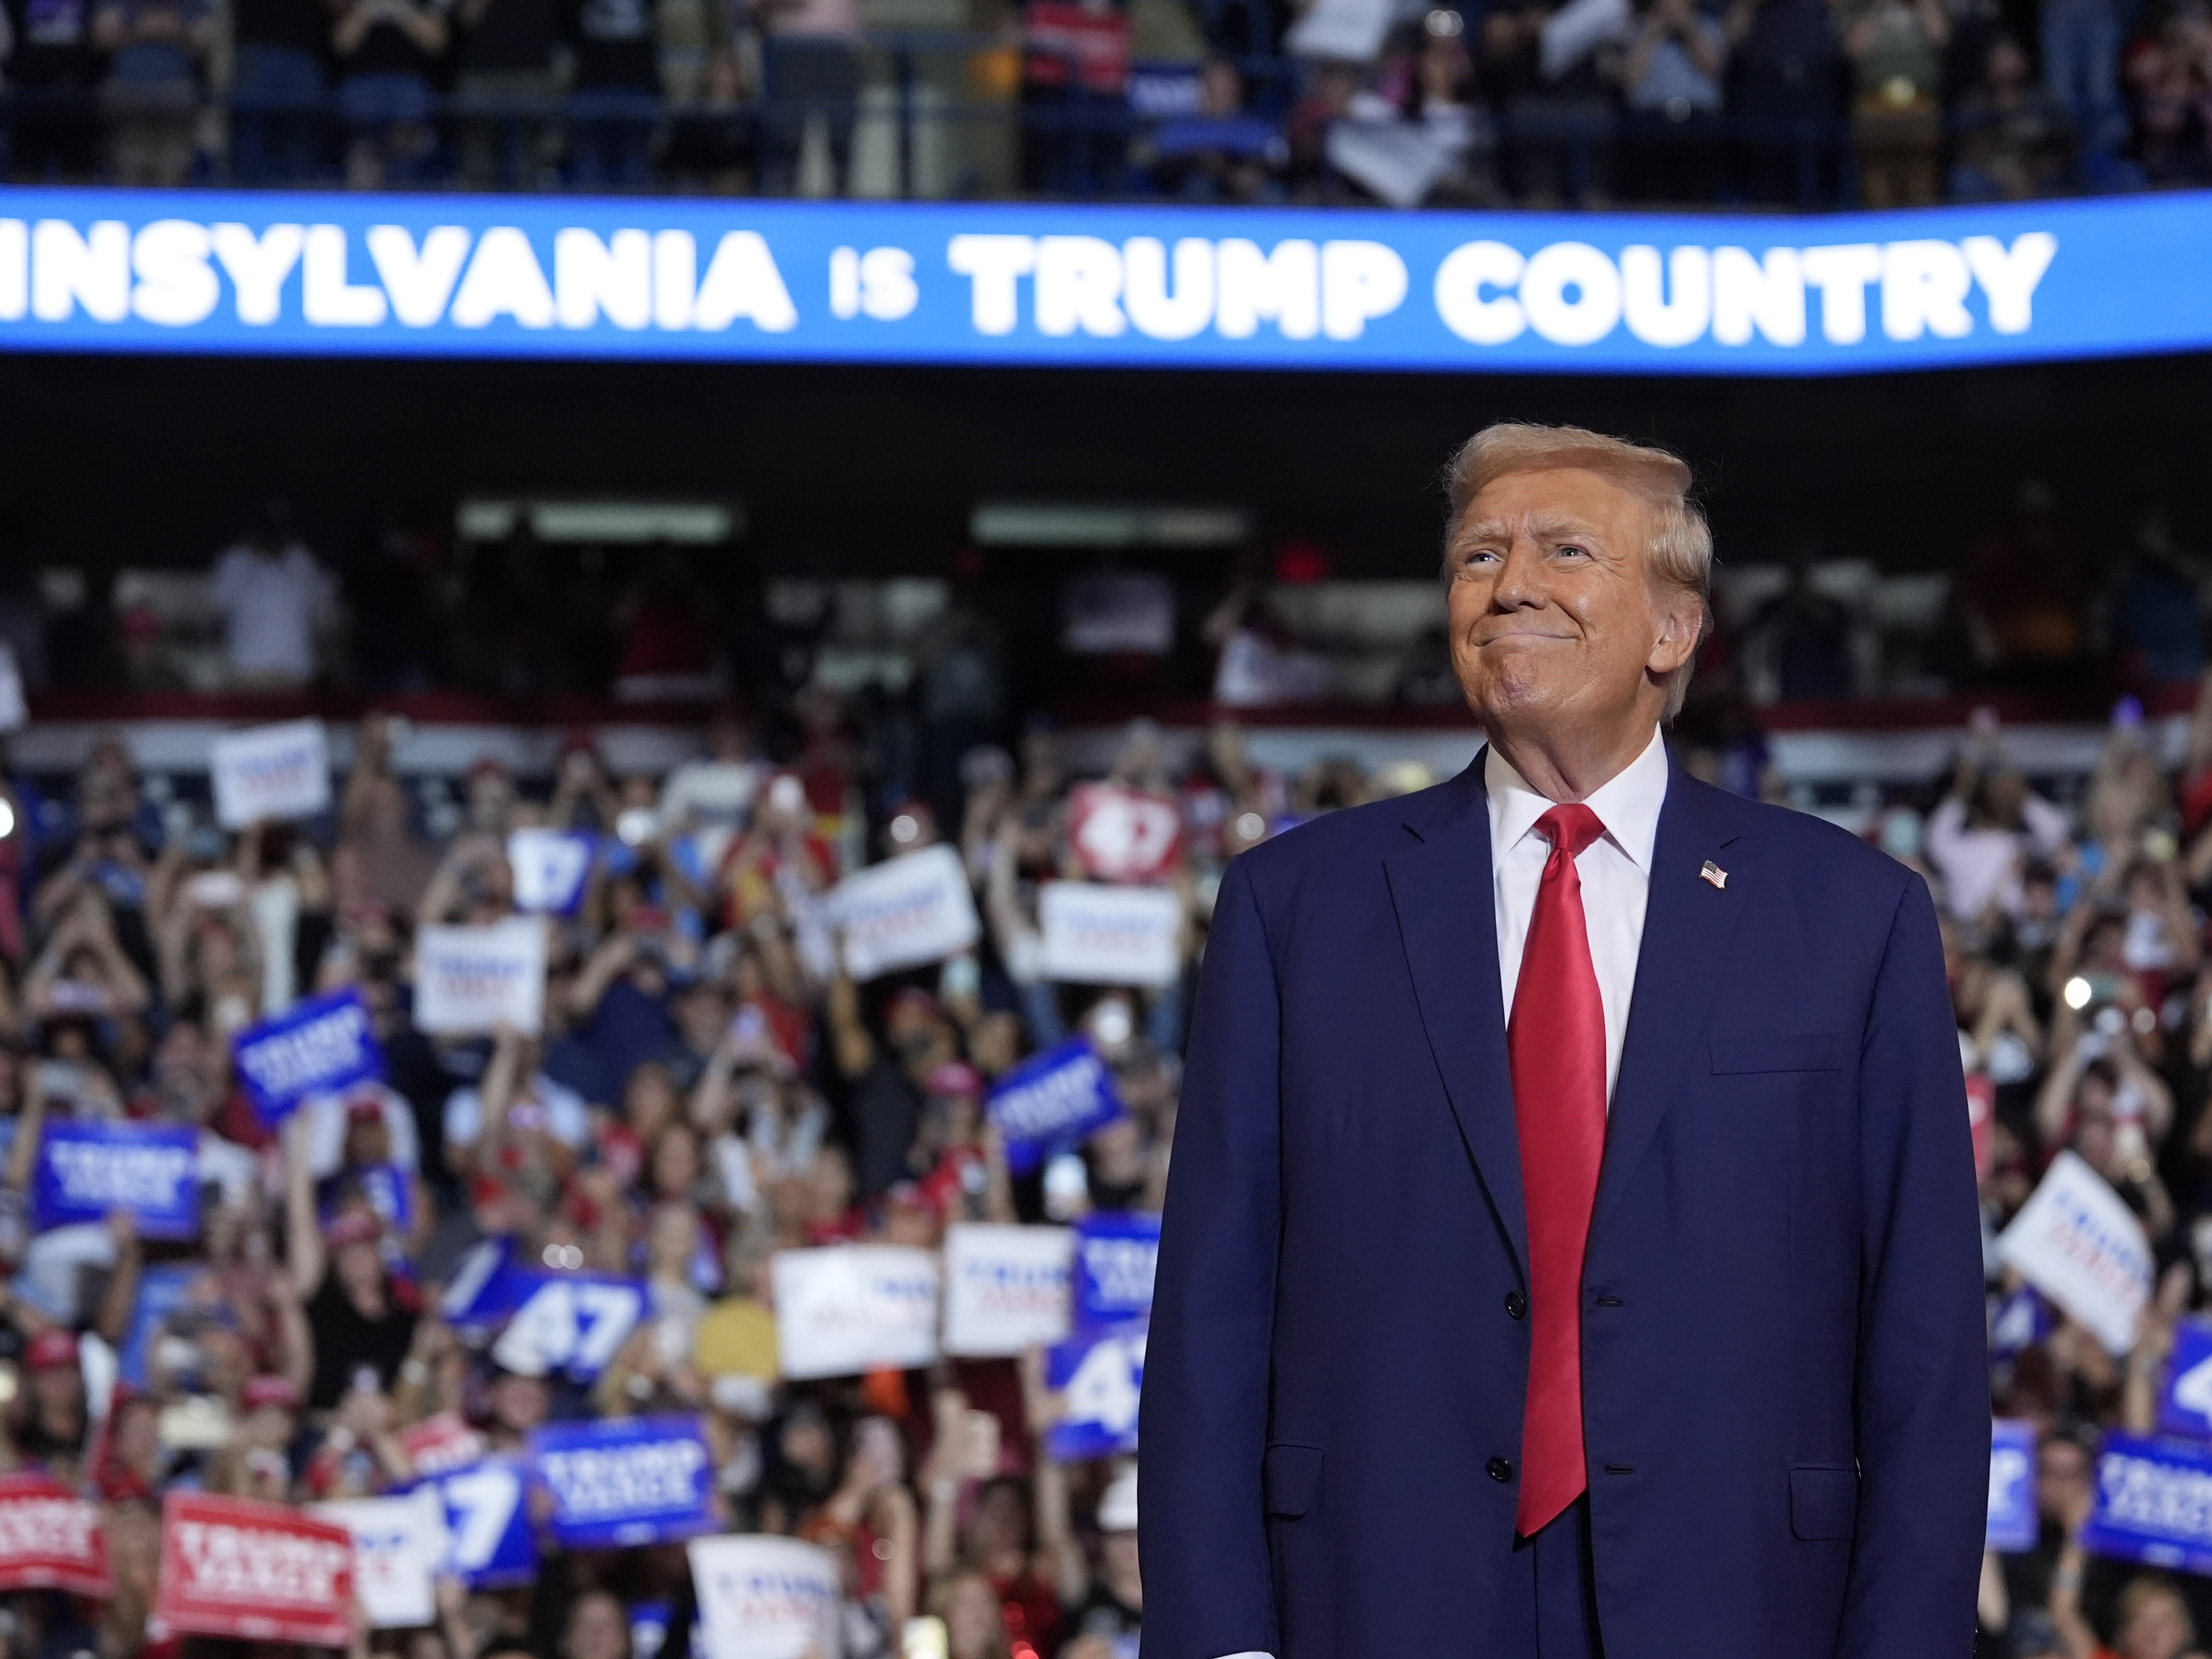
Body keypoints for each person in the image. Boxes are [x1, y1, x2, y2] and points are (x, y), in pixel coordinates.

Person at [1140, 422, 1987, 1657]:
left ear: (1672, 628)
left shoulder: (1852, 918)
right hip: (1371, 1592)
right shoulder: (1293, 908)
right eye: (1476, 555)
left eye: (1564, 549)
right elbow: (1210, 1313)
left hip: (1741, 1600)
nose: (1508, 583)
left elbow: (1924, 1340)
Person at [207, 499, 339, 688]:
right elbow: (216, 609)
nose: (271, 537)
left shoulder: (303, 563)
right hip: (248, 673)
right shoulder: (236, 562)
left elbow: (326, 620)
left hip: (294, 674)